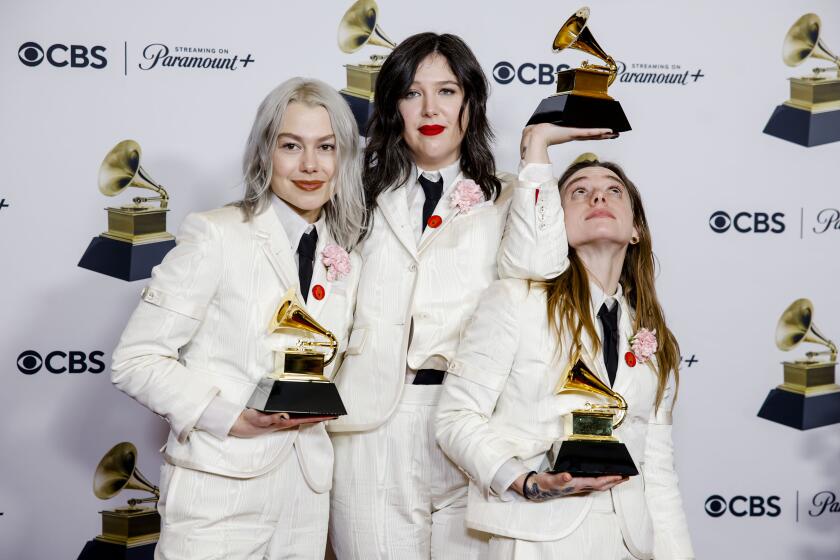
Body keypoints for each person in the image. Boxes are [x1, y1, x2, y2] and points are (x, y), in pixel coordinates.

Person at [327, 31, 612, 559]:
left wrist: (535, 152)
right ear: (393, 107)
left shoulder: (509, 192)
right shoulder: (353, 193)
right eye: (412, 93)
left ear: (470, 103)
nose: (430, 108)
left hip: (475, 425)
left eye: (447, 91)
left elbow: (540, 264)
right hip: (372, 426)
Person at [110, 77, 365, 560]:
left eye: (326, 147)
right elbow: (136, 359)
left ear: (344, 158)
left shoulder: (346, 251)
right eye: (291, 146)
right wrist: (230, 418)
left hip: (306, 493)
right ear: (264, 153)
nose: (310, 165)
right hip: (218, 488)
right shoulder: (215, 234)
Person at [435, 150, 695, 560]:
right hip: (536, 537)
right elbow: (455, 418)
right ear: (555, 222)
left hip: (631, 543)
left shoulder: (654, 336)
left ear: (636, 231)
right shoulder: (514, 300)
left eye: (614, 191)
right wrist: (526, 481)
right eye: (579, 192)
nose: (598, 198)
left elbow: (657, 470)